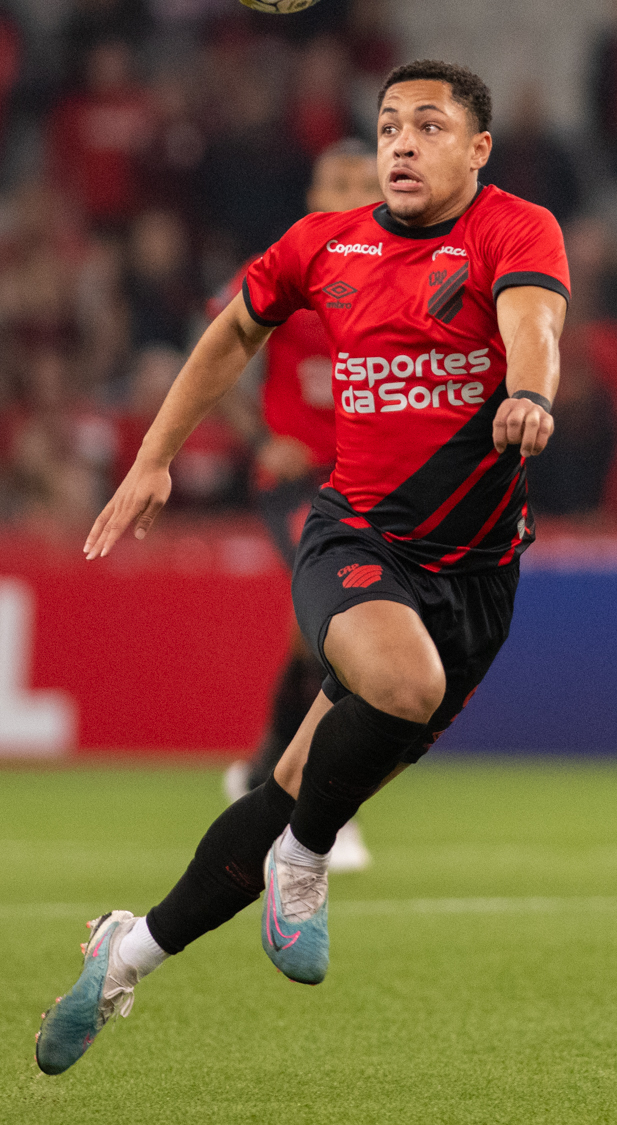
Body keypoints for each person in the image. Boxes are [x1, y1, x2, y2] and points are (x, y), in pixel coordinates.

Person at [35, 59, 569, 1074]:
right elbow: (231, 333)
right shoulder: (324, 245)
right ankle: (309, 862)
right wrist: (154, 458)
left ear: (478, 148)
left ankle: (126, 955)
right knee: (397, 689)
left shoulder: (514, 228)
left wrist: (531, 392)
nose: (403, 143)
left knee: (290, 786)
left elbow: (532, 324)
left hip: (481, 580)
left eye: (429, 125)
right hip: (356, 539)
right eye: (388, 127)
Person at [221, 140, 383, 872]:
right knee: (340, 632)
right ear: (314, 193)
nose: (350, 191)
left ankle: (261, 771)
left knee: (308, 637)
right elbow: (220, 356)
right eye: (336, 180)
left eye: (364, 181)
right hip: (298, 483)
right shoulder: (289, 266)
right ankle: (324, 811)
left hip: (372, 482)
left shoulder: (402, 273)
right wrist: (263, 433)